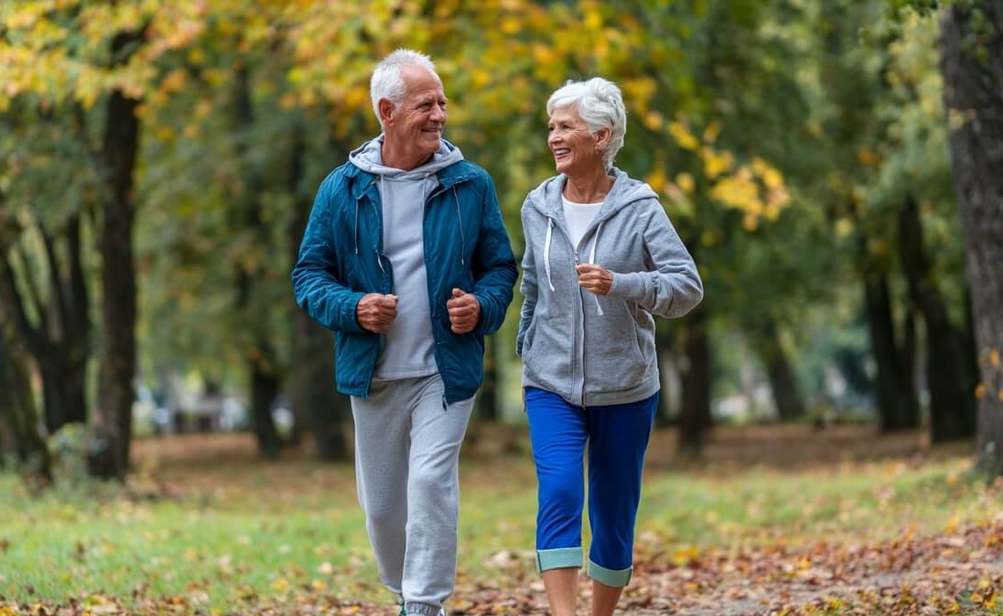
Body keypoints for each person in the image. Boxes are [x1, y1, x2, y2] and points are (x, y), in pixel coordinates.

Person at [291, 49, 518, 616]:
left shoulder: (470, 184)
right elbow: (308, 275)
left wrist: (482, 306)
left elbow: (500, 267)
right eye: (426, 104)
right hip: (373, 371)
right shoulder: (341, 190)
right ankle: (403, 591)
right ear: (387, 111)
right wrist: (353, 307)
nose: (440, 114)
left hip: (446, 369)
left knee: (431, 484)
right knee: (384, 508)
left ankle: (423, 603)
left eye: (442, 102)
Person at [515, 77, 704, 616]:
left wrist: (621, 283)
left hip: (625, 386)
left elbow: (686, 287)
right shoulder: (537, 206)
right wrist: (528, 342)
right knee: (559, 492)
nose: (553, 136)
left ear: (601, 136)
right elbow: (532, 281)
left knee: (613, 512)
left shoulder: (641, 207)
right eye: (551, 126)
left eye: (565, 126)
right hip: (550, 382)